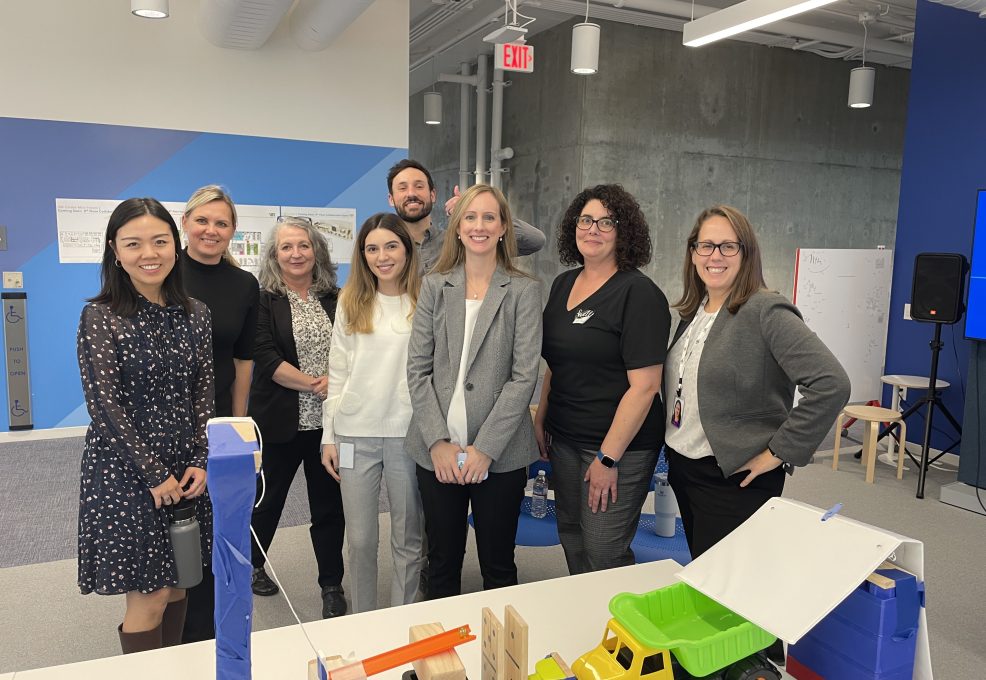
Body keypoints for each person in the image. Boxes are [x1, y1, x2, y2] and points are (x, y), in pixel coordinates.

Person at [664, 205, 850, 560]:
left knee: (726, 589)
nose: (714, 256)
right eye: (705, 246)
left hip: (735, 479)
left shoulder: (766, 310)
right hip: (686, 469)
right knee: (703, 575)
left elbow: (831, 383)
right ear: (693, 252)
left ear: (746, 253)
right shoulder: (694, 311)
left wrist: (779, 452)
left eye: (728, 246)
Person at [77, 197, 213, 653]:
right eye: (133, 243)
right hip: (128, 469)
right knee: (151, 593)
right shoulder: (101, 316)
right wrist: (154, 473)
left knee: (180, 583)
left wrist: (200, 458)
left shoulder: (196, 312)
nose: (148, 253)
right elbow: (105, 406)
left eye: (159, 241)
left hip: (185, 464)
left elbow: (203, 392)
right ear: (115, 251)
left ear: (176, 246)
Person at [406, 183, 542, 599]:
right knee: (442, 562)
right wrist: (437, 442)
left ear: (504, 227)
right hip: (438, 452)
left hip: (499, 455)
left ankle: (499, 659)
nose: (479, 226)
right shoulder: (434, 285)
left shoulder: (523, 290)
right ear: (457, 227)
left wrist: (485, 449)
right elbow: (417, 369)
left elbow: (524, 377)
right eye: (470, 217)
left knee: (498, 563)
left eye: (489, 217)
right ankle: (440, 661)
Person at [535, 184, 671, 574]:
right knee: (572, 536)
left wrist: (607, 458)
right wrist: (541, 417)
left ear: (623, 231)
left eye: (606, 222)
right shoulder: (564, 283)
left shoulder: (639, 294)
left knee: (604, 549)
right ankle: (589, 628)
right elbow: (556, 362)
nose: (593, 229)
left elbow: (645, 386)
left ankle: (622, 633)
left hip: (618, 448)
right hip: (565, 438)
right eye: (586, 220)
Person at [320, 213, 425, 613]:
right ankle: (362, 621)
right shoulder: (351, 299)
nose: (382, 256)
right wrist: (328, 436)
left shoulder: (426, 297)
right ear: (362, 255)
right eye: (372, 248)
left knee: (408, 537)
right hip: (353, 435)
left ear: (407, 248)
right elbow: (338, 370)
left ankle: (404, 619)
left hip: (407, 436)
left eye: (391, 245)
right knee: (361, 539)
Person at [248, 216, 347, 618]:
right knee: (266, 503)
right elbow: (266, 359)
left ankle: (331, 585)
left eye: (303, 245)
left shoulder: (336, 298)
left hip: (329, 426)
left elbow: (352, 349)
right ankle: (251, 566)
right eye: (286, 247)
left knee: (329, 508)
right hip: (279, 423)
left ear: (317, 251)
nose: (295, 253)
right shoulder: (262, 300)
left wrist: (335, 385)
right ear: (274, 254)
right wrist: (315, 383)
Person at [178, 184, 259, 643]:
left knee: (216, 529)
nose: (211, 230)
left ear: (232, 231)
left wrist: (238, 428)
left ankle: (205, 636)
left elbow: (244, 361)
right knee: (172, 531)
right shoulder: (163, 275)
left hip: (218, 422)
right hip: (168, 424)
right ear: (185, 223)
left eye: (221, 223)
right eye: (202, 220)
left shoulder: (244, 285)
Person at [386, 159, 546, 271]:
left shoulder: (464, 241)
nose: (412, 193)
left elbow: (534, 240)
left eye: (419, 186)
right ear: (391, 199)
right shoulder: (384, 250)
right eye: (402, 188)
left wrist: (475, 209)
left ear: (433, 195)